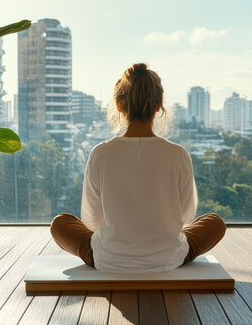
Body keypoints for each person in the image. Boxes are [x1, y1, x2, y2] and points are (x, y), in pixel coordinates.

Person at [50, 63, 226, 272]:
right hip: (167, 258)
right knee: (214, 223)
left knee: (60, 224)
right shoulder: (178, 153)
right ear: (159, 105)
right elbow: (186, 216)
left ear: (119, 105)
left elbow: (91, 220)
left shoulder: (101, 152)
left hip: (108, 258)